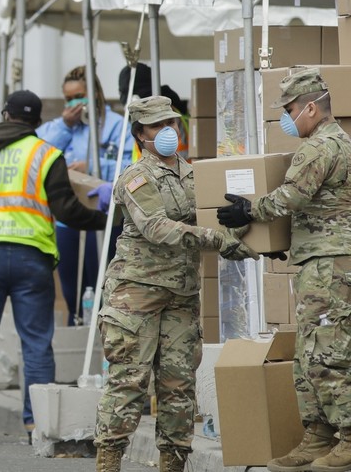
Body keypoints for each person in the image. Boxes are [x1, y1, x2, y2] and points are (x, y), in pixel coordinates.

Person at [0, 90, 107, 445]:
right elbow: (67, 211)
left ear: (6, 115)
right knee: (36, 343)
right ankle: (38, 426)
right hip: (31, 258)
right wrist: (105, 217)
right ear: (37, 121)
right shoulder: (46, 154)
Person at [93, 96, 257, 472]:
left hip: (181, 293)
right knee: (129, 383)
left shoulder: (195, 174)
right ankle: (108, 463)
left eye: (171, 122)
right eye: (157, 125)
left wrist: (245, 228)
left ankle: (173, 464)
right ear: (140, 134)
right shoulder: (136, 177)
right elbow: (156, 227)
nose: (169, 130)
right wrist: (220, 241)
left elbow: (214, 218)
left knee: (178, 385)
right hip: (137, 294)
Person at [215, 68, 351, 472]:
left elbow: (291, 197)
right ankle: (319, 435)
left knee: (327, 352)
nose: (286, 119)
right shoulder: (337, 142)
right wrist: (278, 242)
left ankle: (348, 436)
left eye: (289, 110)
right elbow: (318, 209)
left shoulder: (320, 147)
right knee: (308, 353)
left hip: (329, 265)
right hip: (320, 260)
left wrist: (248, 211)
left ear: (311, 108)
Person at [37, 66, 129, 325]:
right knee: (72, 293)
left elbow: (129, 165)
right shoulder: (60, 127)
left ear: (95, 94)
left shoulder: (117, 125)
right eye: (68, 99)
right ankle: (76, 328)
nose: (73, 104)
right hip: (67, 219)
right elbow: (38, 154)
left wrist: (92, 167)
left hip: (102, 216)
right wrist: (65, 126)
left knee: (102, 286)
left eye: (78, 96)